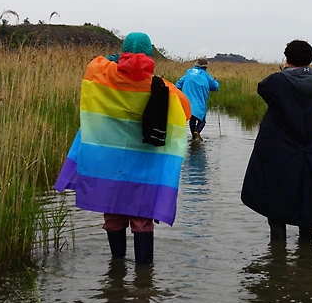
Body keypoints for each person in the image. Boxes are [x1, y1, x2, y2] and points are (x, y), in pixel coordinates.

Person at [54, 32, 192, 265]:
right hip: (144, 167)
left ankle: (116, 269)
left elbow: (97, 61)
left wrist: (118, 58)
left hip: (109, 166)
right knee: (142, 218)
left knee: (113, 213)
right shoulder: (162, 88)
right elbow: (186, 111)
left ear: (123, 53)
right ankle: (143, 276)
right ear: (149, 54)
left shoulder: (100, 77)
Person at [240, 39, 312, 242]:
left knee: (276, 201)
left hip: (280, 150)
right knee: (308, 199)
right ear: (310, 60)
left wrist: (284, 71)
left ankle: (278, 262)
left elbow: (262, 89)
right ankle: (306, 259)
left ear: (287, 58)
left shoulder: (277, 81)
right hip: (311, 150)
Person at [175, 57, 219, 144]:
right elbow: (215, 87)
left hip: (187, 102)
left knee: (192, 118)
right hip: (199, 101)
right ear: (205, 67)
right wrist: (216, 81)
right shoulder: (205, 75)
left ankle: (193, 136)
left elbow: (178, 84)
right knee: (202, 120)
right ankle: (197, 132)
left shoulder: (189, 72)